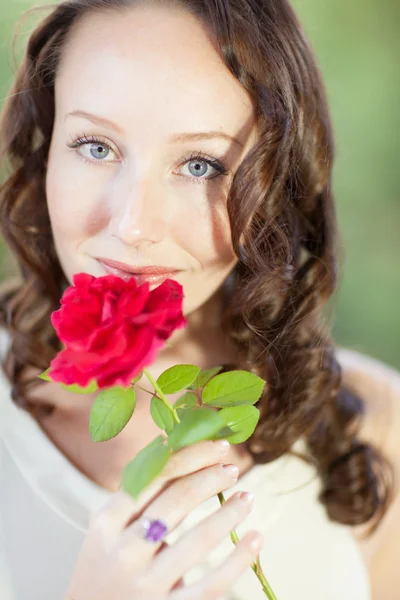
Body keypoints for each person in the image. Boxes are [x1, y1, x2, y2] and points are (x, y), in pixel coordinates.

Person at [0, 0, 399, 598]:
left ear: (275, 190)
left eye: (200, 164)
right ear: (45, 151)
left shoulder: (372, 430)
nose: (133, 225)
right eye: (96, 146)